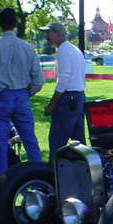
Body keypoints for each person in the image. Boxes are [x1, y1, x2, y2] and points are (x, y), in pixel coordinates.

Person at [0, 7, 44, 181]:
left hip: (0, 97)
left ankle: (1, 188)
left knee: (0, 145)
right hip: (22, 96)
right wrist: (25, 93)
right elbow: (39, 80)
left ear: (0, 24)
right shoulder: (28, 47)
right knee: (30, 142)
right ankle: (39, 183)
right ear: (16, 24)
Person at [40, 21, 86, 159]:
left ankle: (53, 173)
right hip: (78, 97)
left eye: (49, 33)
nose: (46, 36)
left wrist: (52, 104)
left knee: (57, 141)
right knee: (79, 141)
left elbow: (63, 80)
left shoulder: (63, 51)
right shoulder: (74, 49)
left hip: (68, 99)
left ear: (57, 33)